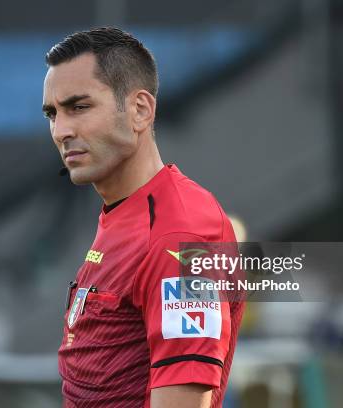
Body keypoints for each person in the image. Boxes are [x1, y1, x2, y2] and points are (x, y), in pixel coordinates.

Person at [42, 27, 244, 408]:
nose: (61, 131)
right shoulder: (123, 212)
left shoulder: (183, 235)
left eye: (79, 107)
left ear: (139, 110)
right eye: (52, 113)